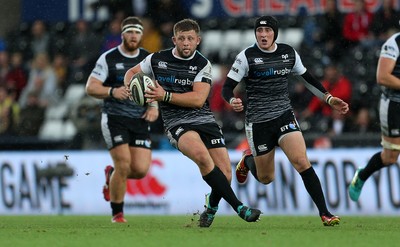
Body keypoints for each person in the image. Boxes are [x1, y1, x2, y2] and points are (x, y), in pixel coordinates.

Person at [124, 18, 261, 227]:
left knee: (225, 173)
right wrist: (130, 87)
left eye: (190, 39)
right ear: (174, 40)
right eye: (181, 39)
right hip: (176, 122)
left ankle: (211, 207)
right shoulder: (156, 59)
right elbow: (132, 73)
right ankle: (240, 207)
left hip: (204, 118)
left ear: (198, 40)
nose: (186, 43)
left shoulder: (202, 64)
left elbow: (198, 99)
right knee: (202, 157)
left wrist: (164, 96)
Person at [221, 16, 349, 226]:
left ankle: (325, 213)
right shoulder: (246, 57)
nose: (263, 35)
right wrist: (232, 99)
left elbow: (307, 78)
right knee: (266, 178)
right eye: (259, 32)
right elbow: (227, 87)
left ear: (275, 34)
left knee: (301, 161)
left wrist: (329, 98)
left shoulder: (288, 53)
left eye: (267, 31)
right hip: (258, 122)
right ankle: (248, 160)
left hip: (284, 116)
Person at [85, 16, 159, 223]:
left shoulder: (148, 59)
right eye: (130, 32)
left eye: (137, 32)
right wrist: (111, 91)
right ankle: (117, 213)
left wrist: (153, 106)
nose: (133, 36)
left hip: (139, 118)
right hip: (115, 118)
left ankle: (112, 176)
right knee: (124, 163)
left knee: (140, 170)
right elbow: (91, 87)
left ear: (142, 35)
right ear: (122, 34)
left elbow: (155, 87)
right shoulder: (108, 58)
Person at [348, 31, 400, 202]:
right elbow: (382, 76)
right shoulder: (394, 43)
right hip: (394, 104)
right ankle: (362, 175)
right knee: (390, 157)